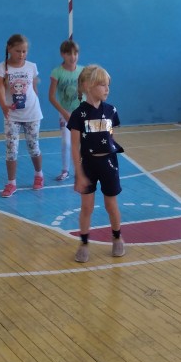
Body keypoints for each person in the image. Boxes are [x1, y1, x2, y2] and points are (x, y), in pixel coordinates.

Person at [68, 64, 126, 262]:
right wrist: (79, 174)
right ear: (87, 86)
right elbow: (74, 146)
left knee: (111, 204)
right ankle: (84, 243)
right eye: (102, 85)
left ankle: (117, 237)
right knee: (87, 207)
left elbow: (110, 137)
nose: (107, 89)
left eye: (108, 85)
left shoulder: (111, 110)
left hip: (109, 164)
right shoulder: (78, 115)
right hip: (88, 165)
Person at [0, 33, 44, 197]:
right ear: (9, 49)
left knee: (33, 146)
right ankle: (11, 183)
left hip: (32, 114)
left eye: (24, 51)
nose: (21, 54)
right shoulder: (1, 68)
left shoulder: (32, 67)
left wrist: (34, 105)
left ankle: (39, 175)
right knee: (11, 149)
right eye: (18, 51)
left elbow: (34, 89)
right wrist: (4, 105)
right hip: (12, 116)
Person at [48, 39, 83, 182]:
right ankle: (65, 170)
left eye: (75, 53)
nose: (73, 57)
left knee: (82, 142)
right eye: (69, 54)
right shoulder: (57, 72)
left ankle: (80, 171)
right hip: (65, 113)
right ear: (62, 54)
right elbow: (51, 97)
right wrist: (64, 112)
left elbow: (89, 91)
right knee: (66, 142)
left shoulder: (83, 71)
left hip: (81, 112)